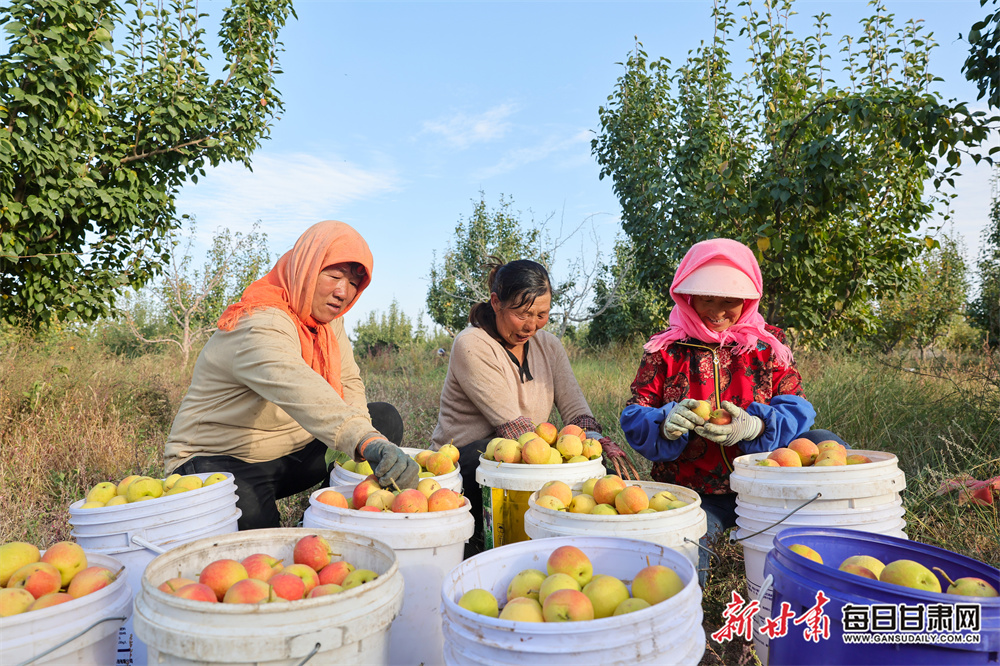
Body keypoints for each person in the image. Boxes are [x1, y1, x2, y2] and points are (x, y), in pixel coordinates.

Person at [165, 220, 419, 530]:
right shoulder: (260, 321)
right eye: (334, 275)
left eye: (353, 283)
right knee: (262, 548)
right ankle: (275, 516)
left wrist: (370, 436)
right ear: (307, 269)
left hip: (287, 454)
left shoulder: (326, 322)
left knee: (382, 419)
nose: (343, 292)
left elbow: (348, 380)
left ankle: (332, 513)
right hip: (218, 461)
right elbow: (301, 390)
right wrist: (365, 441)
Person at [619, 238, 845, 580]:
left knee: (824, 440)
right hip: (696, 491)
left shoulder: (767, 344)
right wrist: (665, 422)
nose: (717, 312)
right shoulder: (666, 350)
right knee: (685, 560)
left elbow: (797, 406)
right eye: (707, 299)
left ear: (748, 299)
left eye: (730, 301)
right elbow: (635, 413)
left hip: (766, 484)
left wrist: (756, 427)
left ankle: (832, 542)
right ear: (687, 296)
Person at [431, 258, 629, 557]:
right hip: (470, 463)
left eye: (542, 314)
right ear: (496, 303)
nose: (531, 325)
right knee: (493, 450)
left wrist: (596, 443)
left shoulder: (549, 346)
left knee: (594, 463)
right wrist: (563, 461)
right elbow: (511, 428)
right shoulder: (471, 344)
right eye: (522, 314)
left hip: (527, 458)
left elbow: (576, 410)